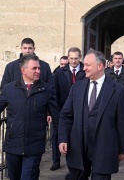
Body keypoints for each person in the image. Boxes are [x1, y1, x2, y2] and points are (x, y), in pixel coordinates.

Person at [0, 54, 59, 180]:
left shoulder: (46, 90)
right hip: (13, 145)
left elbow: (57, 117)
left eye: (39, 68)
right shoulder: (9, 89)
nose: (38, 71)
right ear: (23, 70)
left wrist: (64, 139)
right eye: (34, 68)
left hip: (34, 146)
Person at [58, 49, 124, 180]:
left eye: (87, 65)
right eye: (84, 64)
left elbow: (123, 121)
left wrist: (122, 149)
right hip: (78, 146)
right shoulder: (77, 87)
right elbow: (66, 115)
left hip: (104, 147)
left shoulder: (118, 90)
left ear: (100, 66)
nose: (84, 68)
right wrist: (63, 138)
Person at [53, 47, 86, 179]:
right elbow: (55, 93)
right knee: (62, 138)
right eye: (71, 58)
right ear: (68, 58)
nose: (73, 61)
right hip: (64, 112)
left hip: (81, 112)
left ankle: (79, 168)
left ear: (80, 57)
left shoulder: (85, 72)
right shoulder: (60, 72)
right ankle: (61, 163)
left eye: (76, 58)